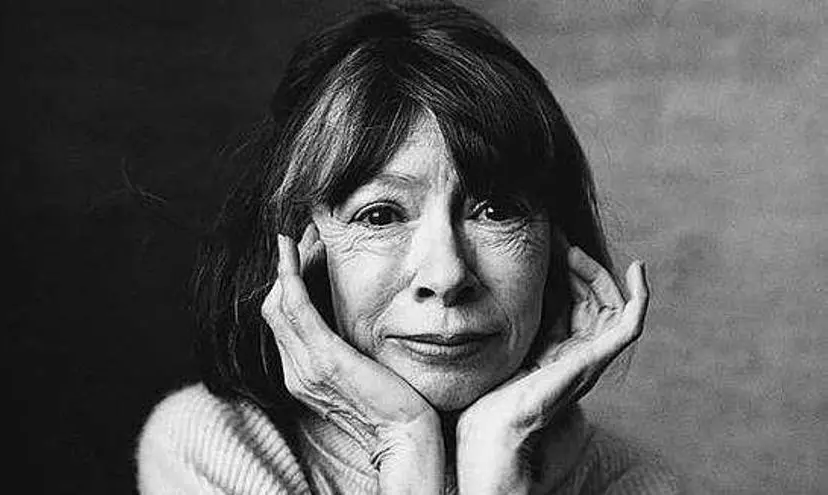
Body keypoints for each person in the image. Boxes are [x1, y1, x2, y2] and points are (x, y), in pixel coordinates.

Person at [137, 2, 681, 493]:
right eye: (380, 215)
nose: (447, 276)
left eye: (495, 211)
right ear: (302, 256)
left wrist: (502, 450)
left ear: (556, 247)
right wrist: (401, 440)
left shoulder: (633, 484)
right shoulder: (211, 449)